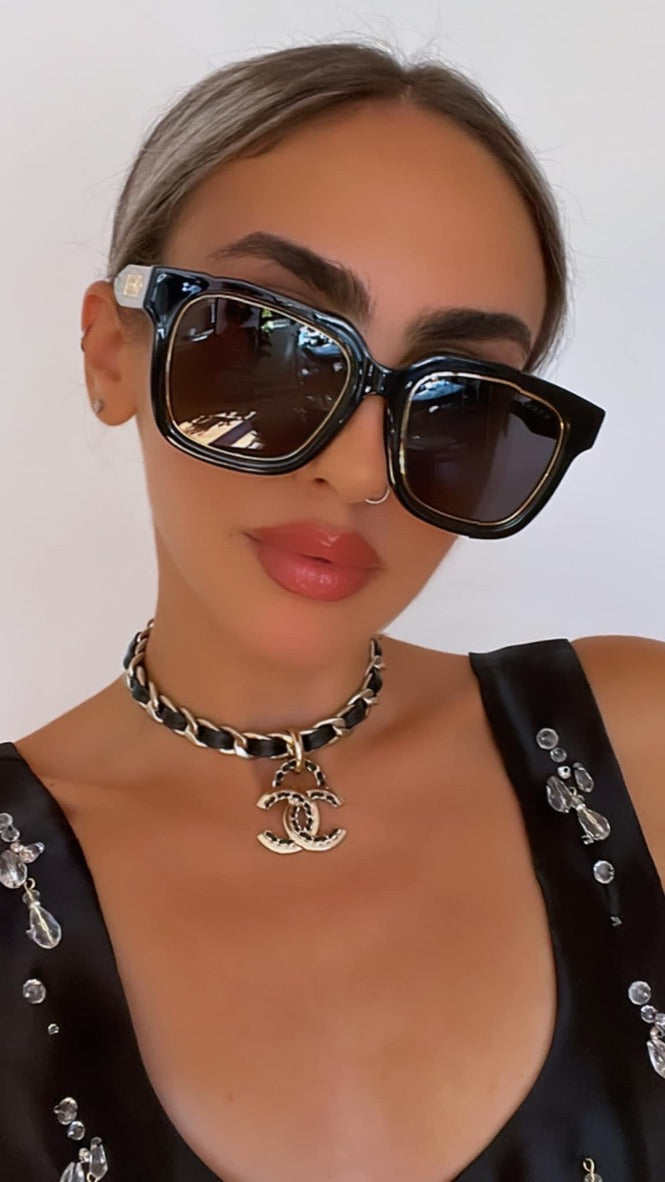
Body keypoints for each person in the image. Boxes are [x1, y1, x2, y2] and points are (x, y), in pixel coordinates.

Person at [1, 37, 663, 1182]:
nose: (358, 473)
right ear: (112, 353)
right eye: (267, 347)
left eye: (456, 402)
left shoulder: (639, 749)